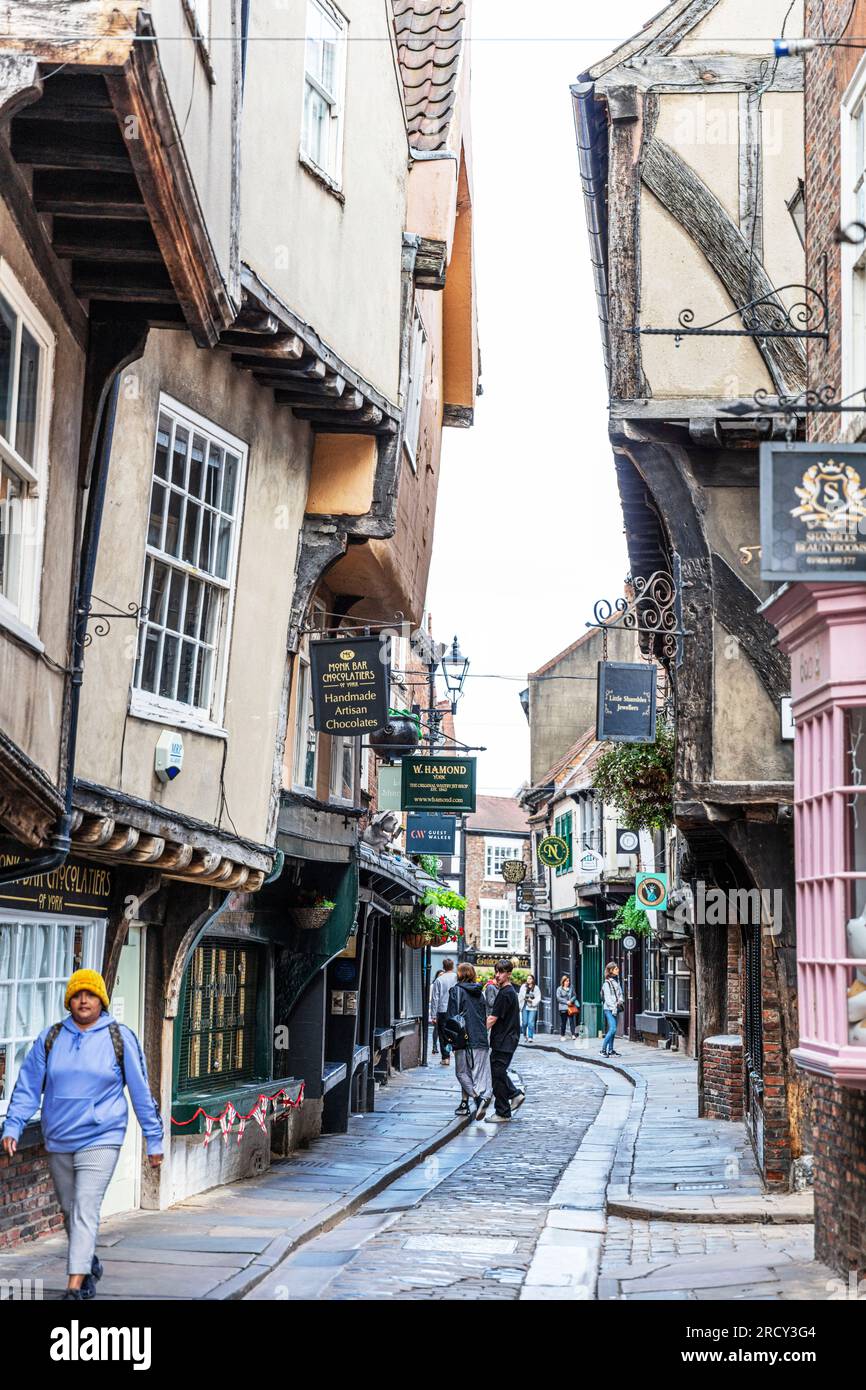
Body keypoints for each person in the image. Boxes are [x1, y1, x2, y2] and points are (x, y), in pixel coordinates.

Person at [0, 969, 163, 1301]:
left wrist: (154, 1139)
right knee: (70, 1208)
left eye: (90, 994)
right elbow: (28, 1086)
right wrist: (14, 1125)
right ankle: (87, 1262)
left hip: (102, 1135)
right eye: (77, 995)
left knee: (86, 1206)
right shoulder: (51, 1037)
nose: (83, 1000)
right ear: (69, 1001)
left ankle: (74, 1287)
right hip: (59, 1136)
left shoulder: (119, 1037)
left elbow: (141, 1091)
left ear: (101, 1000)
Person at [445, 963, 493, 1121]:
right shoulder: (480, 993)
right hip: (480, 1037)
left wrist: (449, 1040)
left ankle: (478, 1099)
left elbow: (451, 1017)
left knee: (461, 1073)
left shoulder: (455, 991)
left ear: (459, 974)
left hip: (463, 1037)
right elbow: (484, 1015)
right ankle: (471, 1102)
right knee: (477, 1074)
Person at [486, 958, 524, 1123]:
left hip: (503, 1040)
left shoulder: (504, 994)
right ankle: (514, 1096)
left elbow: (492, 1019)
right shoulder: (510, 992)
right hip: (508, 1039)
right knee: (498, 1072)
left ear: (509, 974)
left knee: (497, 1074)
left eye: (501, 972)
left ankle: (503, 1111)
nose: (498, 975)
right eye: (497, 971)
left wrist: (477, 1033)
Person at [430, 958, 457, 1066]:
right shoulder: (457, 978)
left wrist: (433, 1015)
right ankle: (455, 1050)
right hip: (455, 1010)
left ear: (443, 967)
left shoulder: (439, 980)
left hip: (443, 1010)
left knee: (443, 1034)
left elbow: (435, 998)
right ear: (452, 966)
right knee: (455, 1032)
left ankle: (446, 1058)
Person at [601, 962, 625, 1058]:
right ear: (611, 970)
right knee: (613, 1028)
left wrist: (620, 1001)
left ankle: (610, 1050)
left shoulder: (616, 981)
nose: (618, 970)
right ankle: (603, 1050)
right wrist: (613, 1007)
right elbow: (607, 998)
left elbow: (620, 994)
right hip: (609, 1009)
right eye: (616, 969)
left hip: (615, 1008)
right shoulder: (607, 983)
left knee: (613, 1030)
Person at [518, 975, 541, 1041]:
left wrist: (532, 1001)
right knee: (524, 1023)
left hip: (532, 1007)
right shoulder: (523, 987)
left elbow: (538, 997)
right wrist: (523, 999)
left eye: (530, 979)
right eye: (528, 978)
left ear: (533, 980)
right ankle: (525, 1035)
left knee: (530, 1022)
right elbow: (520, 996)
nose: (529, 980)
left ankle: (530, 1036)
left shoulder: (536, 988)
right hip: (524, 1006)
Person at [430, 969, 443, 1055]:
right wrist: (433, 1014)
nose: (442, 976)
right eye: (440, 975)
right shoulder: (433, 985)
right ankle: (434, 1046)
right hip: (437, 1010)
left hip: (444, 1010)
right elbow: (432, 999)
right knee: (436, 1029)